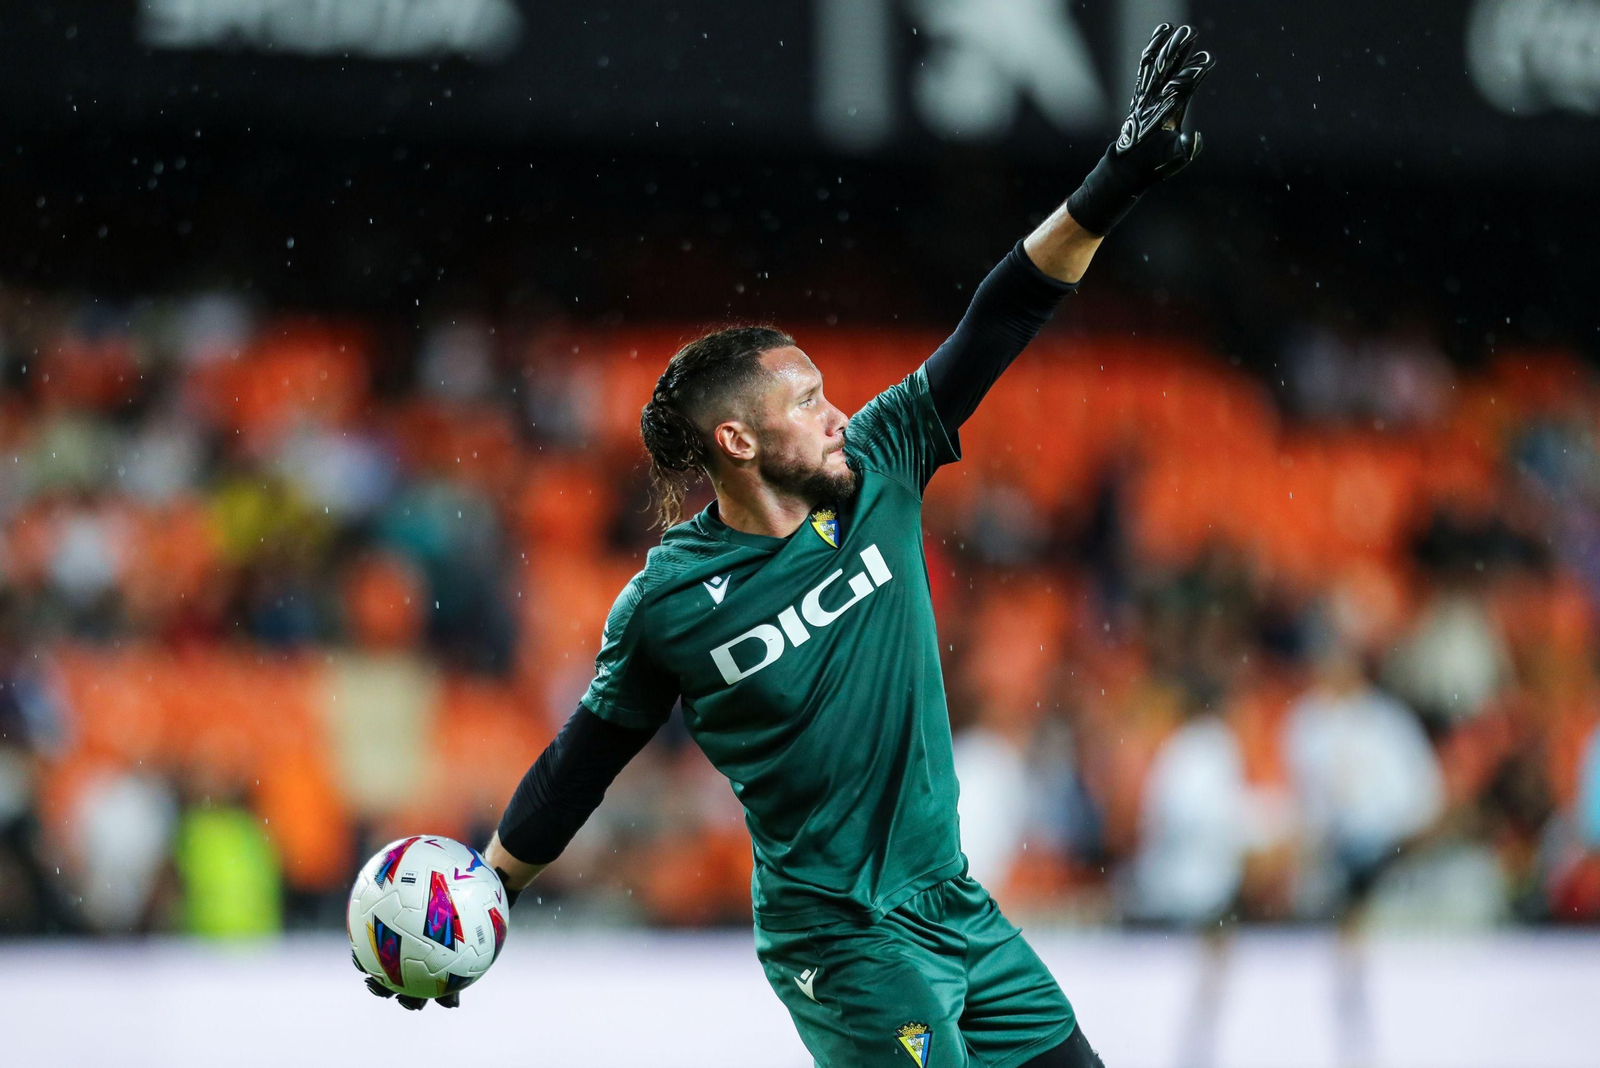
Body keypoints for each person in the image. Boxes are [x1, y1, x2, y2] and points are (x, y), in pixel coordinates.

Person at [366, 23, 1216, 1068]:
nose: (836, 413)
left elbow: (1003, 312)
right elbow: (581, 764)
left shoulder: (885, 459)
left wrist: (1116, 180)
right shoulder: (668, 605)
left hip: (952, 906)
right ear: (738, 441)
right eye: (806, 401)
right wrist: (484, 897)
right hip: (842, 944)